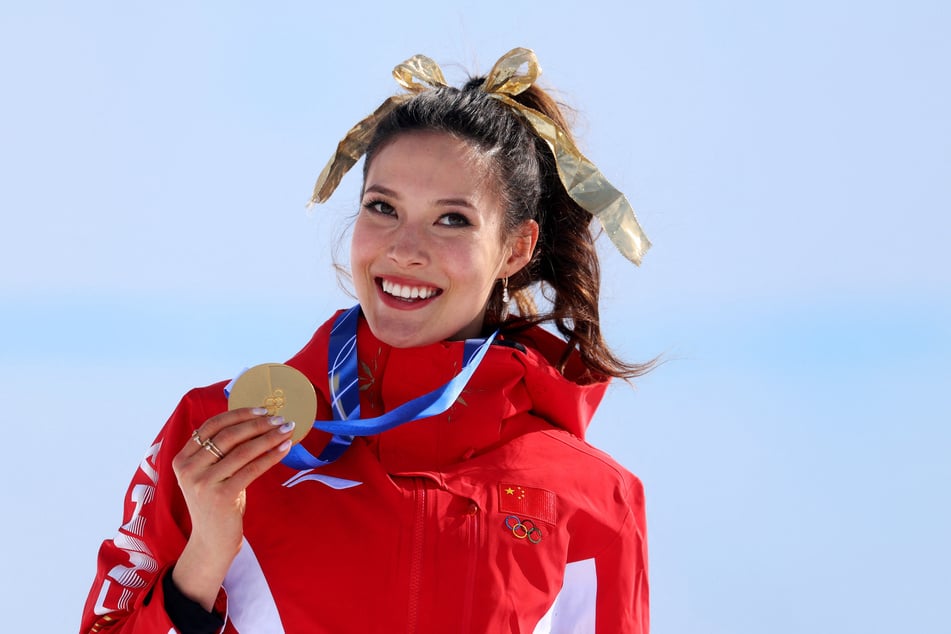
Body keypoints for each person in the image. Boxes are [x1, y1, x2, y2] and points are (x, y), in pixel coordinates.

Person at [80, 47, 652, 633]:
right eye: (383, 207)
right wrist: (202, 562)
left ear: (515, 248)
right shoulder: (218, 438)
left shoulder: (593, 497)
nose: (404, 248)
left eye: (452, 219)